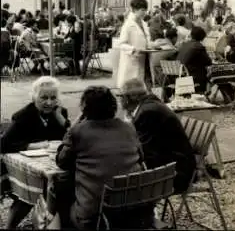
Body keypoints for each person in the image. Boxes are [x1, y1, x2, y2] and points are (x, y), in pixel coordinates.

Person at [56, 86, 152, 229]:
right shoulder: (128, 127)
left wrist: (73, 126)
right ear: (113, 106)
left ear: (84, 108)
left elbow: (61, 162)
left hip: (96, 217)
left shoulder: (78, 131)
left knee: (59, 191)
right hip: (133, 212)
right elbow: (141, 157)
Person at [1, 76, 70, 229]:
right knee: (25, 199)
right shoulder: (23, 115)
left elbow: (71, 137)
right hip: (26, 167)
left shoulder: (60, 113)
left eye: (53, 97)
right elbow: (4, 144)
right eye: (43, 97)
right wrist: (34, 146)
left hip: (51, 163)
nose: (49, 102)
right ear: (34, 97)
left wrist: (61, 120)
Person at [120, 78, 196, 193]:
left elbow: (144, 150)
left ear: (133, 97)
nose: (120, 100)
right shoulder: (149, 105)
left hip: (176, 174)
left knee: (121, 182)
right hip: (175, 165)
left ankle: (143, 210)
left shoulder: (148, 112)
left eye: (122, 96)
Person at [116, 0, 151, 89]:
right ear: (135, 10)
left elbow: (146, 39)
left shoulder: (144, 24)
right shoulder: (128, 25)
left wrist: (151, 46)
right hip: (131, 60)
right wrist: (133, 50)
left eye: (145, 10)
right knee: (130, 87)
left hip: (142, 59)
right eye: (142, 10)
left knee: (139, 87)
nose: (144, 12)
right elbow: (121, 44)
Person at [177, 26, 212, 94]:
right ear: (202, 36)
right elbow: (208, 62)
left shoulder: (185, 44)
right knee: (212, 72)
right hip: (192, 75)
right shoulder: (199, 46)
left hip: (181, 73)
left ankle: (207, 91)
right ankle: (207, 91)